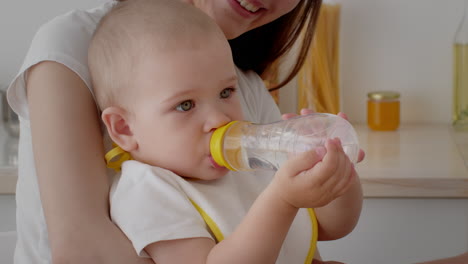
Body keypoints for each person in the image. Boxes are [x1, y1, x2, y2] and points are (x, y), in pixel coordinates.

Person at [7, 0, 366, 263]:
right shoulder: (149, 190)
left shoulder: (245, 85)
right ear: (123, 128)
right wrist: (282, 200)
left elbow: (325, 228)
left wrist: (336, 173)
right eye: (184, 106)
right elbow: (83, 251)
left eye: (226, 94)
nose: (218, 119)